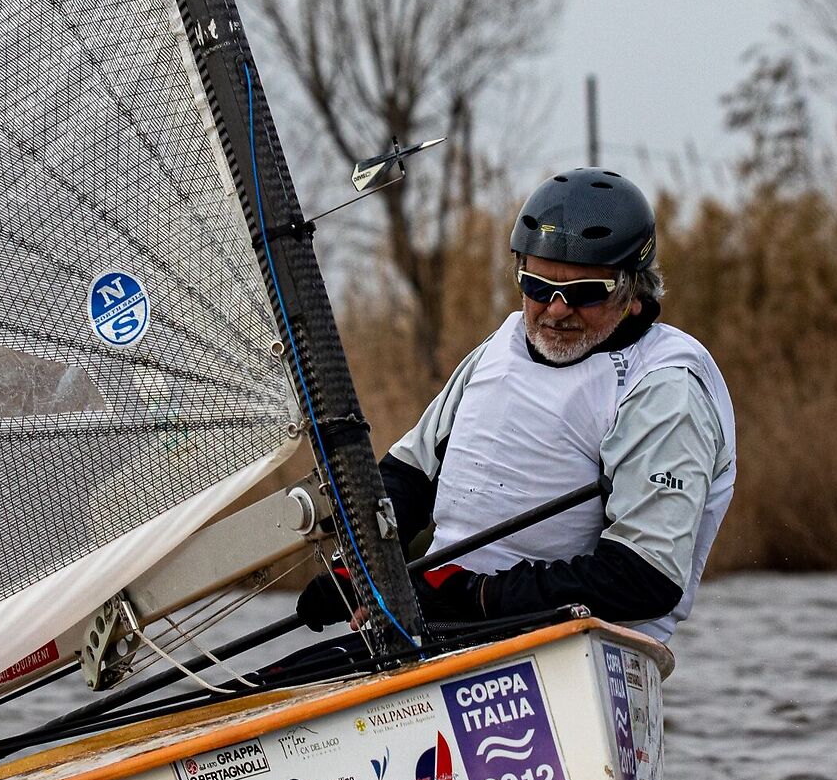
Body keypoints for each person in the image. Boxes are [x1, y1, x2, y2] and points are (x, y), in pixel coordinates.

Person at [298, 167, 735, 645]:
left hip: (569, 646)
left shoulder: (665, 384)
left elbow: (646, 577)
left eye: (585, 293)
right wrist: (363, 567)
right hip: (438, 626)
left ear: (633, 295)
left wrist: (476, 595)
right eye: (538, 288)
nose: (557, 310)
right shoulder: (499, 347)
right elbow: (408, 476)